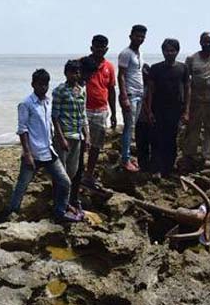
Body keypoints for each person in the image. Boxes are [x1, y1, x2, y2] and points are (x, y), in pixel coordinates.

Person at [5, 69, 80, 223]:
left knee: (65, 182)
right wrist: (27, 153)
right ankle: (11, 213)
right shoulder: (26, 104)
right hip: (33, 153)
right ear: (33, 84)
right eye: (40, 84)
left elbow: (50, 124)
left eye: (45, 84)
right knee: (22, 186)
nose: (43, 87)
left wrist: (58, 139)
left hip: (48, 151)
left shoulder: (47, 102)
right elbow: (22, 130)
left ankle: (60, 211)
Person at [145, 39, 189, 177]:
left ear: (177, 51)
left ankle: (168, 168)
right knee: (156, 139)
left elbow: (187, 89)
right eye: (166, 50)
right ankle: (156, 168)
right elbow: (150, 90)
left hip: (176, 109)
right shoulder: (155, 68)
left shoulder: (183, 68)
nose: (169, 53)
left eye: (172, 50)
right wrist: (149, 111)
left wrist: (186, 111)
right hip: (158, 108)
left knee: (171, 138)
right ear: (162, 51)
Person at [52, 60, 90, 216]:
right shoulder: (59, 91)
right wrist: (61, 138)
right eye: (72, 72)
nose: (75, 75)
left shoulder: (81, 91)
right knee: (61, 174)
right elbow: (55, 117)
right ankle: (60, 205)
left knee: (72, 172)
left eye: (77, 72)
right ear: (66, 73)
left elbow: (83, 115)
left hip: (77, 136)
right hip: (64, 136)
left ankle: (66, 202)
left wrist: (87, 136)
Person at [79, 35, 117, 189]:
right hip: (83, 109)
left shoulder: (109, 67)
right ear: (91, 48)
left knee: (96, 146)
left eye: (102, 47)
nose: (100, 50)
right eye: (97, 47)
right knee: (81, 144)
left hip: (101, 110)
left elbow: (111, 90)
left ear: (106, 49)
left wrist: (114, 113)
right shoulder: (82, 63)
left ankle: (89, 175)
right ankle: (78, 173)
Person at [118, 24, 147, 172]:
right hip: (130, 94)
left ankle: (127, 156)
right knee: (129, 127)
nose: (139, 39)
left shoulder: (139, 53)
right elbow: (121, 75)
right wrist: (124, 96)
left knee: (132, 127)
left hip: (139, 94)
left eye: (142, 36)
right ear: (131, 36)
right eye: (137, 36)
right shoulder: (126, 53)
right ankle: (125, 159)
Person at [183, 32, 210, 168]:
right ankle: (189, 154)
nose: (208, 44)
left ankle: (207, 155)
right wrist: (185, 106)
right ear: (200, 42)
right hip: (196, 100)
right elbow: (186, 82)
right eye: (205, 41)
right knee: (193, 128)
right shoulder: (192, 59)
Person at [136, 64, 152, 172]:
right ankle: (142, 165)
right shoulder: (137, 87)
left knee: (149, 143)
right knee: (141, 144)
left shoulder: (151, 87)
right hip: (139, 119)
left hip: (149, 119)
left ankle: (149, 165)